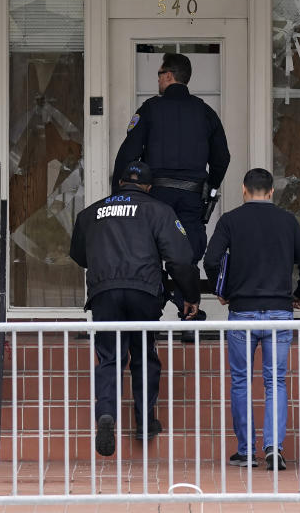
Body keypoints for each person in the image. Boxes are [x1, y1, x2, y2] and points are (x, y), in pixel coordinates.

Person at [70, 160, 201, 456]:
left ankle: (106, 414)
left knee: (108, 357)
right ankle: (144, 421)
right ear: (149, 186)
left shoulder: (90, 213)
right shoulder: (158, 210)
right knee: (144, 354)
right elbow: (180, 260)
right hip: (144, 291)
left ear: (119, 184)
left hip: (104, 292)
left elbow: (79, 255)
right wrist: (190, 297)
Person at [204, 168, 300, 471]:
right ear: (270, 192)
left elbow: (211, 260)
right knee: (275, 382)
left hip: (242, 312)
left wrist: (223, 290)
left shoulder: (230, 220)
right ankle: (274, 447)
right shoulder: (287, 221)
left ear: (244, 189)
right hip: (280, 311)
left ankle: (245, 451)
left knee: (241, 381)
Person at [113, 52, 231, 333]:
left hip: (155, 197)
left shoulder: (150, 109)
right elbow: (222, 158)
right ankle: (189, 312)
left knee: (149, 253)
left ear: (168, 76)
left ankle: (149, 316)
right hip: (192, 197)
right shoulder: (205, 112)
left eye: (158, 74)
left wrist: (120, 191)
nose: (157, 78)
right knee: (186, 254)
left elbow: (128, 154)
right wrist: (210, 191)